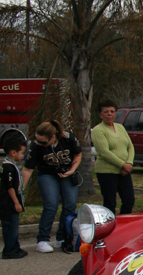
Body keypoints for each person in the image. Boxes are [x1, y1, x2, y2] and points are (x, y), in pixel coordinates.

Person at [21, 120, 82, 253]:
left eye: (43, 142)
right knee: (51, 205)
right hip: (47, 174)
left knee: (70, 205)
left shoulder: (68, 138)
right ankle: (43, 239)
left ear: (53, 137)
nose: (40, 144)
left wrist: (72, 170)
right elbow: (28, 169)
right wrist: (21, 188)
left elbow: (77, 154)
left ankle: (62, 237)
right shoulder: (35, 146)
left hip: (67, 173)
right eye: (37, 140)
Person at [91, 98, 135, 215]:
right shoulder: (98, 130)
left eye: (112, 111)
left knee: (129, 200)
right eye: (105, 112)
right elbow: (104, 152)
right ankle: (110, 224)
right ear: (100, 115)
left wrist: (129, 163)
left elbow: (130, 146)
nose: (109, 114)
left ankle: (124, 223)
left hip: (124, 172)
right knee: (110, 203)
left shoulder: (120, 127)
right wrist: (123, 165)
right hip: (107, 172)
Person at [1, 134, 27, 259]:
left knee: (14, 226)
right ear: (13, 152)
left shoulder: (12, 165)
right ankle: (9, 250)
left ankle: (15, 247)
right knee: (10, 227)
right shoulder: (8, 167)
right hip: (9, 204)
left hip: (13, 203)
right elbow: (9, 186)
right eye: (21, 153)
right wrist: (16, 202)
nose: (22, 155)